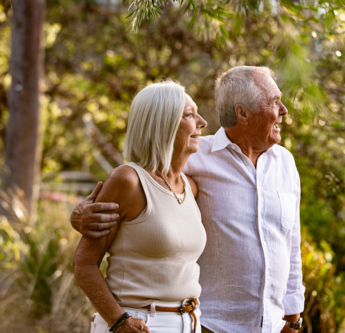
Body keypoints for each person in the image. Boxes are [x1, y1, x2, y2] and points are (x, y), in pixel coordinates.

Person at [72, 66, 305, 333]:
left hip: (258, 326)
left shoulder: (284, 164)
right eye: (275, 102)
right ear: (243, 113)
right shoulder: (194, 156)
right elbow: (140, 186)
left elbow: (291, 244)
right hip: (209, 325)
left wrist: (293, 318)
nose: (284, 110)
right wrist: (80, 213)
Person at [72, 80, 208, 333]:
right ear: (163, 124)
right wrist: (119, 320)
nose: (202, 122)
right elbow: (84, 263)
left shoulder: (191, 187)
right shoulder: (128, 180)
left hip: (190, 322)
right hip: (138, 323)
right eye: (189, 114)